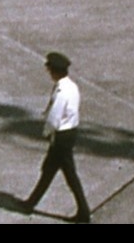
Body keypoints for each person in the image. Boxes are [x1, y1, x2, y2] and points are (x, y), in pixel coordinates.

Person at [22, 51, 91, 223]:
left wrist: (46, 133)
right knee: (50, 170)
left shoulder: (61, 90)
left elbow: (55, 117)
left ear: (54, 71)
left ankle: (84, 212)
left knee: (66, 174)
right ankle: (31, 202)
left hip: (62, 136)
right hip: (69, 133)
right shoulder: (71, 86)